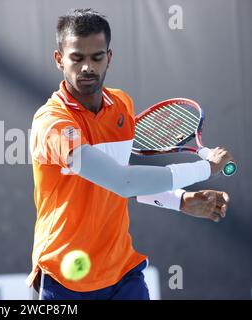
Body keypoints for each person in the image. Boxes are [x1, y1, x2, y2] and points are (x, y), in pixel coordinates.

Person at [26, 8, 235, 300]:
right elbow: (122, 181)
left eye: (96, 57)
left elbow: (122, 186)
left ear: (109, 58)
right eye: (77, 58)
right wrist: (204, 169)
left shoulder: (122, 105)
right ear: (60, 60)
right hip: (64, 279)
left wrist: (181, 200)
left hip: (122, 273)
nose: (87, 67)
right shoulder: (52, 124)